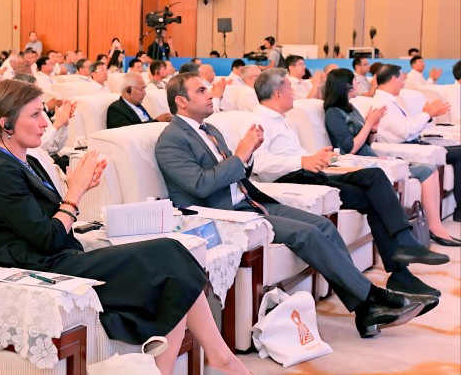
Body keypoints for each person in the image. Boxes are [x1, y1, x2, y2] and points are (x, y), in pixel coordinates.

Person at [0, 79, 251, 375]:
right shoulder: (0, 173)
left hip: (64, 255)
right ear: (6, 123)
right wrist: (75, 193)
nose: (45, 122)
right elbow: (48, 239)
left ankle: (209, 360)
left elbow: (53, 222)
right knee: (168, 255)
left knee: (173, 255)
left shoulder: (28, 162)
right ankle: (217, 360)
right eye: (35, 115)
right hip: (44, 268)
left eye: (43, 112)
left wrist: (77, 189)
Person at [156, 72, 435, 339]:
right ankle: (374, 298)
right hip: (222, 215)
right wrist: (240, 156)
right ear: (181, 101)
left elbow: (238, 170)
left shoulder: (211, 130)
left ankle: (366, 310)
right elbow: (200, 185)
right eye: (201, 90)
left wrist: (248, 155)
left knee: (323, 225)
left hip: (248, 201)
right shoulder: (171, 140)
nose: (210, 94)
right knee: (307, 233)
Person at [323, 68, 455, 249]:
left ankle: (435, 225)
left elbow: (367, 142)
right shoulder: (333, 113)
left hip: (369, 156)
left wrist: (373, 129)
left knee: (428, 169)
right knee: (425, 170)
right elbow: (350, 148)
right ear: (346, 86)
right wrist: (369, 124)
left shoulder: (351, 109)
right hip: (357, 163)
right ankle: (434, 227)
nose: (358, 84)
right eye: (354, 81)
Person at [373, 64, 461, 222]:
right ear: (392, 79)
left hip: (415, 142)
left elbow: (413, 128)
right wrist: (426, 114)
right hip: (405, 148)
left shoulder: (393, 101)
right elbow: (405, 131)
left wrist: (429, 116)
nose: (403, 81)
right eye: (401, 78)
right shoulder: (382, 104)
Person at [106, 72, 172, 129]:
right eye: (141, 89)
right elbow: (129, 131)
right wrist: (157, 121)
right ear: (128, 90)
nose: (144, 93)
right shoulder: (116, 109)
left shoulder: (138, 105)